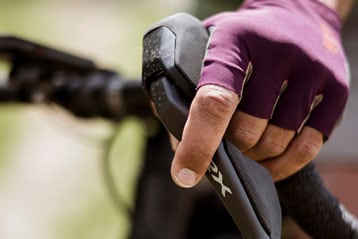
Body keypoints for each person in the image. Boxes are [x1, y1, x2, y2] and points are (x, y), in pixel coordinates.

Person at [170, 0, 355, 188]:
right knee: (195, 110)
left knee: (329, 181)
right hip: (228, 12)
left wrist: (310, 9)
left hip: (336, 28)